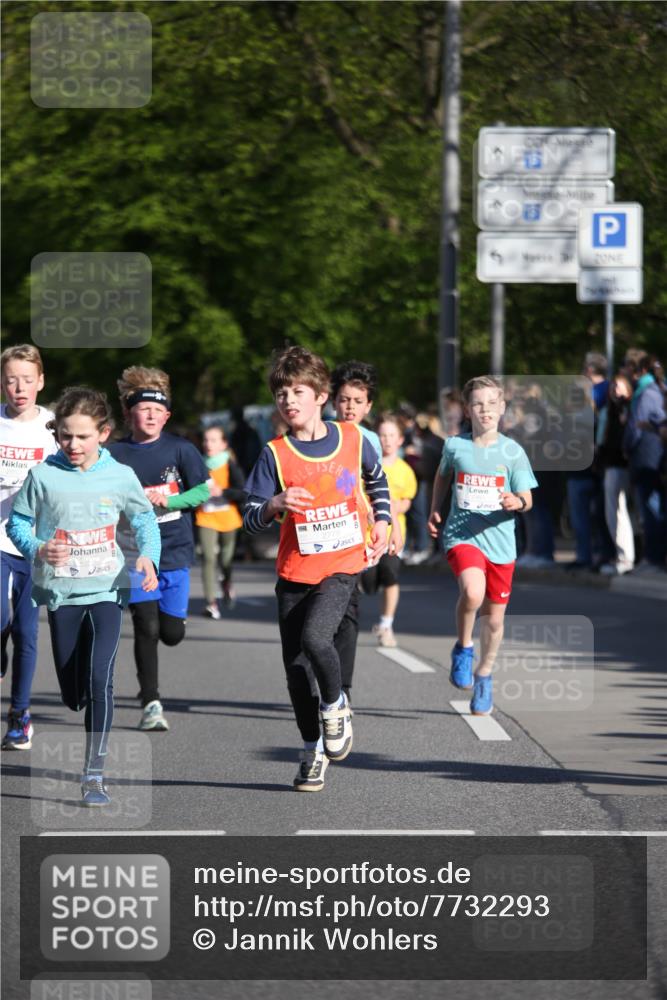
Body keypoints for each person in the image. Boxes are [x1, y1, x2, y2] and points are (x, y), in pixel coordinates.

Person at [243, 346, 390, 791]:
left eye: (299, 391)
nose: (289, 400)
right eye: (282, 393)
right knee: (295, 669)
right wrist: (273, 504)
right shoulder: (274, 453)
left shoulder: (352, 438)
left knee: (316, 638)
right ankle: (312, 751)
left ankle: (335, 705)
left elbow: (377, 479)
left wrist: (382, 520)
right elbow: (250, 516)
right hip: (294, 571)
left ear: (321, 395)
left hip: (343, 564)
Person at [7, 387, 160, 806]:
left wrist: (148, 557)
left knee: (100, 680)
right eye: (65, 437)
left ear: (103, 433)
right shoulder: (43, 475)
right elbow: (18, 524)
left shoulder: (120, 476)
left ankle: (94, 773)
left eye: (82, 437)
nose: (72, 445)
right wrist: (39, 546)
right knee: (74, 694)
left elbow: (144, 520)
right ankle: (76, 698)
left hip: (107, 590)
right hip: (61, 594)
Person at [428, 376, 537, 717]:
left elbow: (528, 498)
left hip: (501, 544)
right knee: (473, 593)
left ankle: (485, 673)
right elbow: (443, 474)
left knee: (493, 619)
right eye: (478, 404)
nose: (485, 410)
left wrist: (515, 502)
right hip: (463, 535)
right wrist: (435, 507)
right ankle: (463, 648)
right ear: (467, 409)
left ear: (502, 408)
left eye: (492, 403)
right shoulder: (455, 446)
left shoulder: (512, 451)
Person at [109, 367, 209, 732]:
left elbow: (203, 491)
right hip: (135, 554)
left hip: (175, 550)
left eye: (157, 410)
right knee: (146, 626)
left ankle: (173, 627)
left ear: (167, 415)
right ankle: (151, 700)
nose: (150, 414)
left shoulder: (181, 449)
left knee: (171, 633)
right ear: (128, 413)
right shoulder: (115, 454)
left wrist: (170, 500)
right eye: (143, 408)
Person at [1, 344, 58, 750]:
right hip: (0, 536)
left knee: (26, 632)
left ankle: (19, 716)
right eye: (10, 380)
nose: (18, 387)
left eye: (26, 379)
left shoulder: (56, 428)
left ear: (40, 381)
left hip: (38, 546)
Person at [363, 414, 417, 648]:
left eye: (391, 435)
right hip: (366, 534)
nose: (386, 440)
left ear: (400, 440)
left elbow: (407, 501)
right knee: (369, 584)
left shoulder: (405, 470)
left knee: (391, 577)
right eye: (382, 435)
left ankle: (386, 624)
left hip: (394, 534)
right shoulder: (367, 464)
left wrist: (395, 507)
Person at [196, 424, 245, 619]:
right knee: (208, 558)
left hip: (229, 518)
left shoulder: (229, 464)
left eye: (214, 440)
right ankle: (211, 602)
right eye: (206, 440)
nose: (209, 444)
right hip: (205, 517)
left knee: (225, 560)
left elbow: (242, 492)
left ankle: (226, 581)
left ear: (223, 444)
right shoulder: (199, 464)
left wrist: (222, 492)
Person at [623, 352, 666, 572]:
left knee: (650, 509)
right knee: (652, 507)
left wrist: (626, 447)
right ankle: (653, 556)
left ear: (639, 371)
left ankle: (653, 558)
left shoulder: (646, 393)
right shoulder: (656, 390)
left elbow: (636, 428)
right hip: (653, 455)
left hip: (646, 456)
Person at [597, 372, 635, 575]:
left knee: (618, 511)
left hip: (621, 465)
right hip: (611, 464)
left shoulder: (626, 408)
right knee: (613, 511)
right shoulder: (610, 410)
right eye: (614, 387)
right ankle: (620, 555)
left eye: (620, 387)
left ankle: (625, 556)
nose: (616, 391)